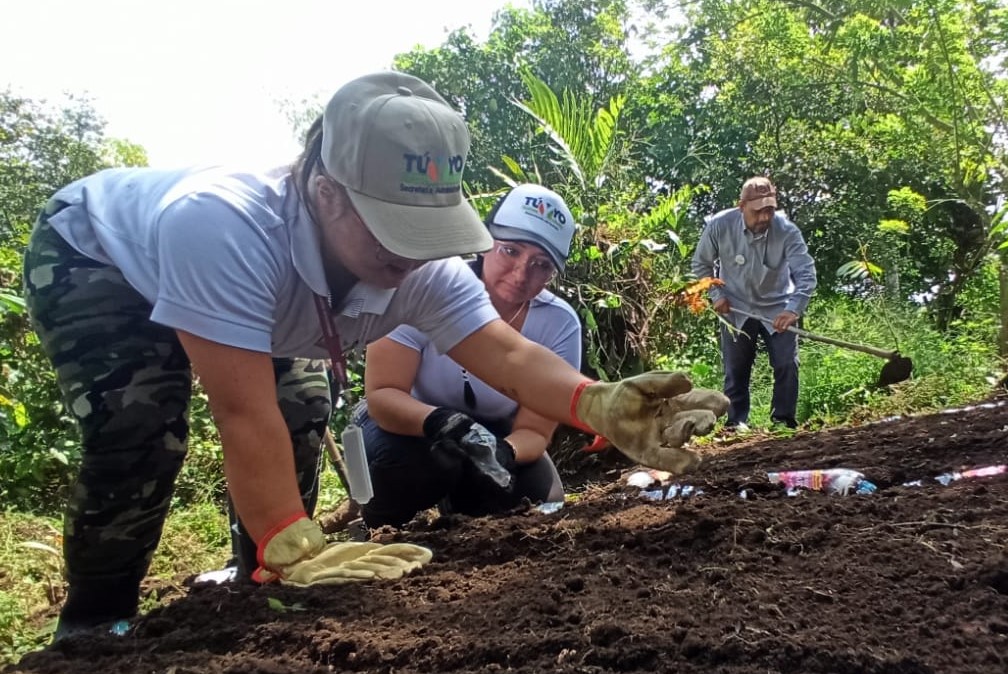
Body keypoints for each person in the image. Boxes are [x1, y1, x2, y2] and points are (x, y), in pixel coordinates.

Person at [23, 70, 726, 640]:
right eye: (394, 228)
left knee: (303, 406)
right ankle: (94, 623)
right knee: (141, 432)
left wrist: (592, 401)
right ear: (326, 193)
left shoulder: (420, 262)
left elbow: (504, 353)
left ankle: (262, 585)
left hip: (264, 295)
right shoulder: (222, 226)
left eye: (428, 228)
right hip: (101, 260)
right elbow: (241, 412)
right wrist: (283, 534)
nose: (412, 252)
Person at [357, 183, 582, 527]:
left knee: (538, 498)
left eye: (541, 264)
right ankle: (379, 528)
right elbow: (383, 394)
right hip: (404, 422)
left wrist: (503, 453)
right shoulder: (426, 284)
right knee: (417, 468)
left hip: (492, 431)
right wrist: (443, 424)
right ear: (485, 241)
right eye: (510, 251)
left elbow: (535, 431)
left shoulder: (559, 323)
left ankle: (460, 522)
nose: (522, 274)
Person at [691, 176, 817, 429]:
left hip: (778, 307)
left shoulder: (787, 231)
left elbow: (806, 274)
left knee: (786, 364)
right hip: (735, 306)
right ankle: (736, 422)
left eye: (769, 210)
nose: (763, 218)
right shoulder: (720, 226)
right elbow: (701, 264)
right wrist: (716, 295)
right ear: (742, 206)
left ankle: (783, 420)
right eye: (757, 211)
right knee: (736, 369)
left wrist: (793, 309)